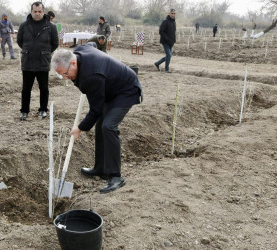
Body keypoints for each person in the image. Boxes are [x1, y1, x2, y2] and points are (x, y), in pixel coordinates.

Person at [51, 45, 142, 194]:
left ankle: (115, 176)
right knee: (100, 125)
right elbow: (91, 44)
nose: (65, 78)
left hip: (126, 90)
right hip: (109, 89)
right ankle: (100, 168)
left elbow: (96, 110)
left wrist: (80, 128)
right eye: (61, 76)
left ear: (73, 63)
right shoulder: (79, 51)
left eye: (66, 74)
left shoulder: (91, 76)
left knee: (108, 126)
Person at [17, 1, 59, 120]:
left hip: (43, 62)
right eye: (35, 11)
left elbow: (55, 43)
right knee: (26, 89)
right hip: (28, 61)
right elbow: (20, 41)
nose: (37, 14)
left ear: (43, 12)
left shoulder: (51, 26)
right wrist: (28, 50)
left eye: (39, 11)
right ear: (31, 12)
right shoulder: (24, 25)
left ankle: (43, 110)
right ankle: (24, 111)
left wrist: (45, 52)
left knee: (44, 88)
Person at [154, 9, 176, 73]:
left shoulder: (174, 22)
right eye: (172, 13)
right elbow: (161, 31)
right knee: (168, 55)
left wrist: (173, 41)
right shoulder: (165, 21)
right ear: (169, 13)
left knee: (169, 55)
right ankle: (167, 69)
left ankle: (157, 63)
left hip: (171, 42)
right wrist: (167, 39)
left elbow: (173, 32)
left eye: (174, 13)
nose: (173, 14)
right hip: (165, 41)